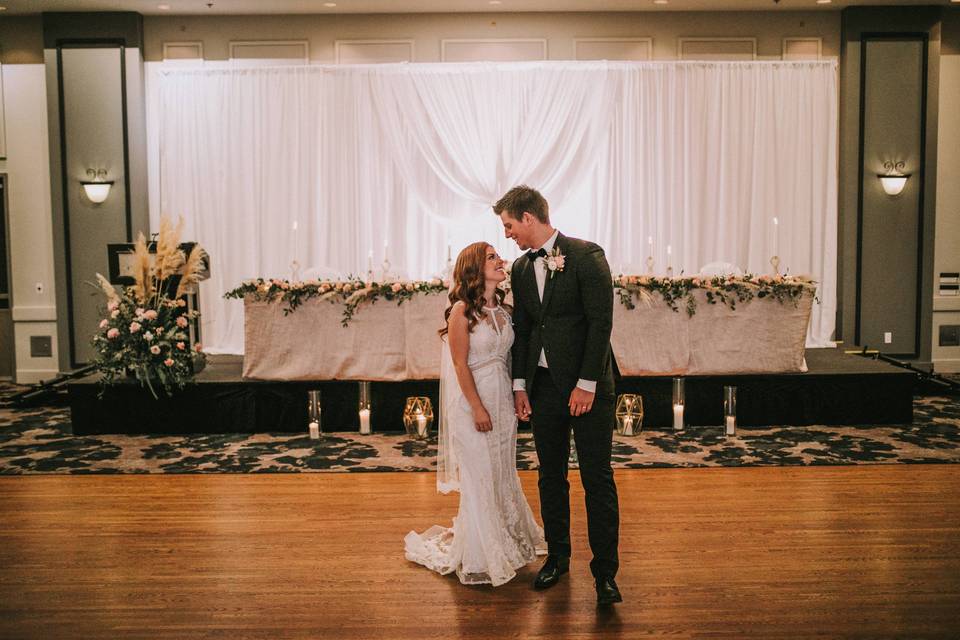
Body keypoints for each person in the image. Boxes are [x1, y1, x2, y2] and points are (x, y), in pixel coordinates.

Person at [494, 185, 622, 605]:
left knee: (596, 478)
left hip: (588, 387)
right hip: (544, 388)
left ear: (528, 218)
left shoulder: (586, 256)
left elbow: (601, 324)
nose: (508, 234)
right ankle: (558, 558)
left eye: (510, 225)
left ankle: (605, 573)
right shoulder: (517, 268)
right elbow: (526, 331)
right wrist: (520, 386)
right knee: (551, 476)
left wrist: (587, 385)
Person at [404, 242, 544, 586]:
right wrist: (478, 407)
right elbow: (458, 363)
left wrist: (518, 393)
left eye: (499, 256)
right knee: (480, 475)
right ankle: (483, 553)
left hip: (503, 402)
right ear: (474, 268)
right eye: (493, 257)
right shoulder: (461, 312)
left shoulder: (506, 311)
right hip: (472, 403)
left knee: (500, 473)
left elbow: (510, 359)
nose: (502, 261)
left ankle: (508, 540)